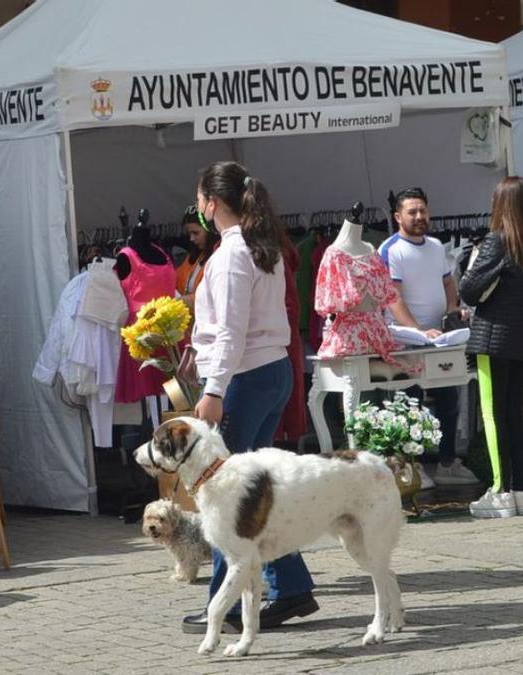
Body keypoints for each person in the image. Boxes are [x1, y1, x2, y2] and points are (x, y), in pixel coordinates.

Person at [182, 161, 318, 634]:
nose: (197, 207)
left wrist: (214, 388)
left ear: (211, 203)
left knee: (225, 497)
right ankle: (292, 584)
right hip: (271, 369)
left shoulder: (231, 255)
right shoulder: (264, 248)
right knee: (254, 489)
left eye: (199, 199)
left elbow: (231, 331)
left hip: (245, 376)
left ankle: (231, 603)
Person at [461, 177, 523, 518]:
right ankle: (518, 491)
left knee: (493, 414)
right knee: (513, 415)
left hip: (495, 339)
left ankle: (501, 492)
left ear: (501, 204)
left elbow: (469, 290)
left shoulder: (497, 240)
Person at [379, 188, 481, 488]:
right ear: (398, 216)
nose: (419, 217)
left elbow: (448, 283)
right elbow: (392, 297)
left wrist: (452, 311)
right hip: (405, 340)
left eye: (423, 210)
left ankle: (447, 461)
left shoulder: (436, 246)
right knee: (410, 403)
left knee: (450, 400)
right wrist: (419, 331)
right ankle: (414, 467)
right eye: (412, 212)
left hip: (440, 338)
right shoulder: (390, 249)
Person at [176, 205, 221, 313]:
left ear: (209, 231)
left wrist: (180, 302)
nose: (192, 239)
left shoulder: (220, 258)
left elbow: (211, 296)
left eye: (196, 233)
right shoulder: (195, 256)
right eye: (189, 234)